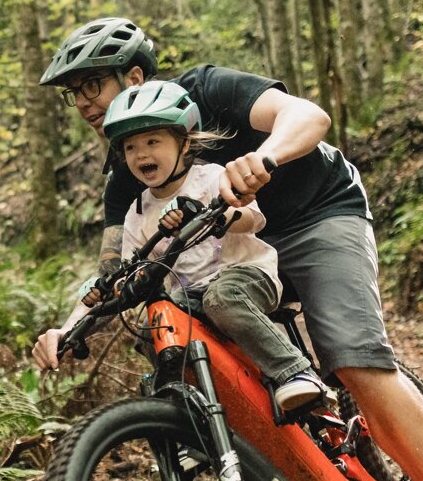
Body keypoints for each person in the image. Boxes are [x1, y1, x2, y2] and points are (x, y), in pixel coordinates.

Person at [28, 16, 423, 481]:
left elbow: (309, 117)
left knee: (352, 356)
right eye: (73, 93)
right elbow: (115, 271)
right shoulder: (127, 175)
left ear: (132, 76)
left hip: (315, 215)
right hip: (225, 260)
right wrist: (68, 326)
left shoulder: (206, 90)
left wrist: (265, 157)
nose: (82, 101)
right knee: (176, 329)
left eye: (92, 84)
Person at [36, 80, 332, 412]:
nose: (141, 154)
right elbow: (127, 269)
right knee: (153, 325)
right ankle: (188, 409)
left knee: (222, 298)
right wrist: (91, 305)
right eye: (130, 147)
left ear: (185, 142)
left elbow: (251, 218)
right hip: (190, 297)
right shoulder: (138, 212)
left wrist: (214, 214)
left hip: (245, 276)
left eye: (152, 141)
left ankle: (296, 372)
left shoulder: (211, 178)